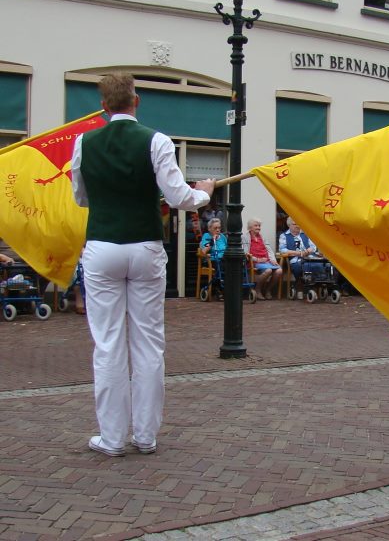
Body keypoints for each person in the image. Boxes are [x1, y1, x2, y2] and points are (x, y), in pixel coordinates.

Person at [72, 72, 214, 456]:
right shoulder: (157, 140)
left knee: (108, 344)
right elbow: (178, 196)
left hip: (102, 245)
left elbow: (80, 198)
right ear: (136, 102)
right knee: (149, 342)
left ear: (103, 106)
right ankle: (146, 435)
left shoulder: (83, 142)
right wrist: (204, 194)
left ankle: (113, 438)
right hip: (145, 245)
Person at [278, 216, 324, 300]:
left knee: (318, 264)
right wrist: (298, 253)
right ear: (289, 225)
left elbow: (313, 247)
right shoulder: (284, 236)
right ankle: (300, 287)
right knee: (299, 266)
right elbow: (282, 250)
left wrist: (309, 250)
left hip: (309, 257)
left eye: (299, 224)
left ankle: (313, 287)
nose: (297, 226)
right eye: (295, 224)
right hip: (295, 259)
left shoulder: (305, 233)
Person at [242, 217, 283, 300]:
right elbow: (246, 254)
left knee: (279, 271)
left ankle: (268, 290)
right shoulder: (245, 237)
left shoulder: (262, 237)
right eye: (256, 225)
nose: (258, 227)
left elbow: (269, 250)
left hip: (266, 261)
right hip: (254, 262)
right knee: (268, 270)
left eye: (259, 225)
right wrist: (257, 259)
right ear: (250, 227)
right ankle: (258, 289)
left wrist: (273, 260)